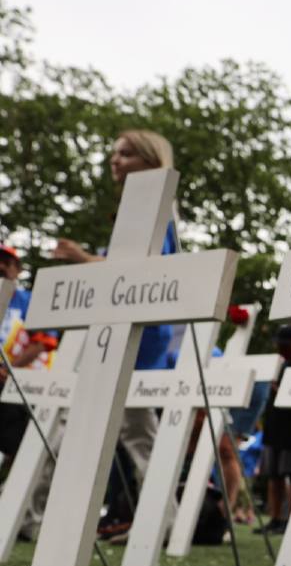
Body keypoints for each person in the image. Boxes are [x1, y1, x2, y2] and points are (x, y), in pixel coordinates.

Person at [50, 130, 178, 537]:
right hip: (116, 334)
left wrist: (79, 258)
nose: (115, 161)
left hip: (140, 340)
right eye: (113, 154)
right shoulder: (133, 208)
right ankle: (56, 519)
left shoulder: (155, 208)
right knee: (84, 428)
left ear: (150, 160)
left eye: (125, 154)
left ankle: (161, 522)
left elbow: (137, 274)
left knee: (138, 434)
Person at [0, 244, 59, 457]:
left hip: (27, 388)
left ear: (18, 269)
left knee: (25, 448)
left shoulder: (30, 300)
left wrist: (8, 370)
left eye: (7, 262)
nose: (1, 266)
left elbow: (44, 341)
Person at [258, 325, 291, 532]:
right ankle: (275, 519)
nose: (280, 349)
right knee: (274, 475)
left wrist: (284, 391)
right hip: (274, 427)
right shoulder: (280, 366)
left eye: (284, 345)